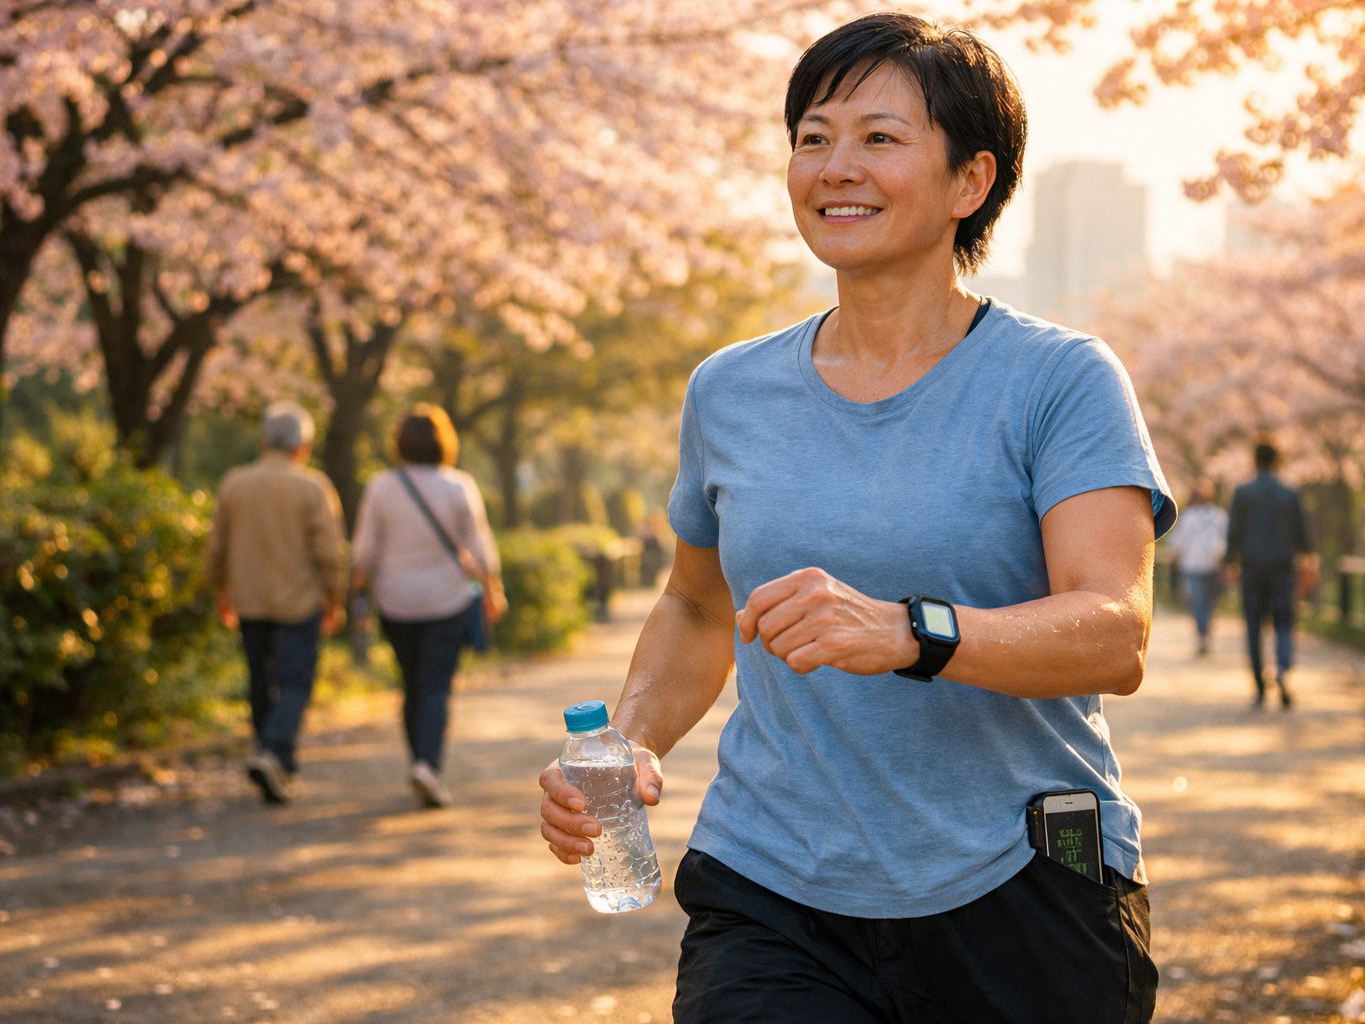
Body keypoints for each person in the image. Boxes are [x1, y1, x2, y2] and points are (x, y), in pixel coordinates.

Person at [538, 14, 1173, 1022]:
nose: (836, 166)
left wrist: (908, 631)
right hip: (773, 884)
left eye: (880, 138)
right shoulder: (729, 390)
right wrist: (630, 742)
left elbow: (1113, 632)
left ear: (972, 180)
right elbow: (700, 609)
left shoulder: (1060, 381)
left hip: (1022, 878)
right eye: (813, 138)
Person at [351, 404, 507, 808]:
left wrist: (356, 597)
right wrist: (493, 589)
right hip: (447, 600)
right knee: (436, 685)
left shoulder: (381, 487)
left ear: (400, 442)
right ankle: (428, 764)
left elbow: (363, 552)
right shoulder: (458, 485)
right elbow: (480, 546)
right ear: (444, 442)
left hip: (395, 601)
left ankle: (419, 759)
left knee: (411, 684)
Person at [208, 401, 347, 804]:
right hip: (298, 603)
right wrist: (333, 597)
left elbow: (216, 548)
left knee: (259, 681)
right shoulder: (312, 487)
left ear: (263, 440)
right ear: (302, 445)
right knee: (294, 683)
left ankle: (270, 756)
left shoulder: (234, 483)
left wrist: (221, 592)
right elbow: (329, 552)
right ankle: (274, 753)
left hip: (249, 601)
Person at [1224, 441, 1316, 709]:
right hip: (1283, 569)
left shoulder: (1242, 493)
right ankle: (1283, 669)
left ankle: (1260, 686)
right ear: (1278, 461)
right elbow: (1302, 533)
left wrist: (1231, 562)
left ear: (1255, 461)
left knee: (1253, 626)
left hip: (1252, 569)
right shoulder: (1289, 493)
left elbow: (1234, 533)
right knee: (1284, 622)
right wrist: (1309, 558)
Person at [1166, 481, 1229, 655]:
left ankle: (1203, 633)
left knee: (1199, 602)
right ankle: (1205, 632)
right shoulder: (1219, 516)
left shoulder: (1188, 517)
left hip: (1193, 565)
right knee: (1209, 603)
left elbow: (1178, 543)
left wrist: (1175, 556)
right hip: (1212, 564)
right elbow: (1227, 540)